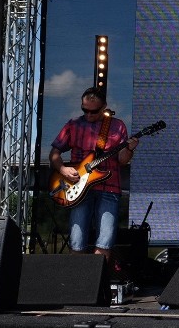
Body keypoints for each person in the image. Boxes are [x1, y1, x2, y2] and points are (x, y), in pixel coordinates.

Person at [49, 87, 138, 267]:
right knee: (77, 238)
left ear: (104, 106)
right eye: (84, 110)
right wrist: (63, 169)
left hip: (109, 187)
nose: (88, 114)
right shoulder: (73, 125)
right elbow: (54, 153)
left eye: (93, 111)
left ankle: (98, 286)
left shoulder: (117, 125)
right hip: (77, 187)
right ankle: (76, 285)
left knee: (105, 239)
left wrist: (130, 148)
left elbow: (122, 160)